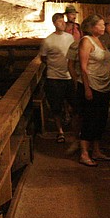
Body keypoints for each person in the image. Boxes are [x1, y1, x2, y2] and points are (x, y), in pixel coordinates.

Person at [76, 14, 110, 166]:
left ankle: (96, 150)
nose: (103, 27)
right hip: (91, 85)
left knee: (100, 120)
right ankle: (84, 153)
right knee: (90, 120)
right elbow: (83, 67)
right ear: (91, 27)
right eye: (100, 25)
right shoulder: (86, 41)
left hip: (103, 86)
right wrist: (87, 89)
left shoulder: (101, 40)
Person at [39, 12, 75, 143]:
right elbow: (43, 58)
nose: (63, 23)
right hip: (54, 77)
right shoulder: (48, 41)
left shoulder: (70, 37)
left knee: (74, 103)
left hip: (69, 76)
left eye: (63, 21)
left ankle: (75, 129)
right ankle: (60, 131)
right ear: (54, 23)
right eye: (60, 21)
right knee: (56, 106)